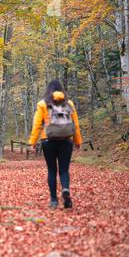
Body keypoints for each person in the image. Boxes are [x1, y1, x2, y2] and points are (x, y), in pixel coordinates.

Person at [28, 80, 82, 209]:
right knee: (64, 169)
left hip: (48, 140)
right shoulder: (69, 103)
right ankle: (65, 189)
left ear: (48, 90)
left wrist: (33, 142)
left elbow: (37, 125)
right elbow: (75, 124)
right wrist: (77, 140)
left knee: (52, 170)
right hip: (66, 140)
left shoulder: (43, 104)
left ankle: (53, 200)